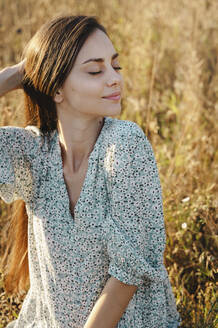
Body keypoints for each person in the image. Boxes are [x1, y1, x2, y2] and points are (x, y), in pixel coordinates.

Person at [0, 15, 181, 328]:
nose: (114, 78)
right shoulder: (33, 152)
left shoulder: (125, 144)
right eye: (96, 70)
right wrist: (19, 73)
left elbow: (127, 275)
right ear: (56, 89)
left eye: (115, 66)